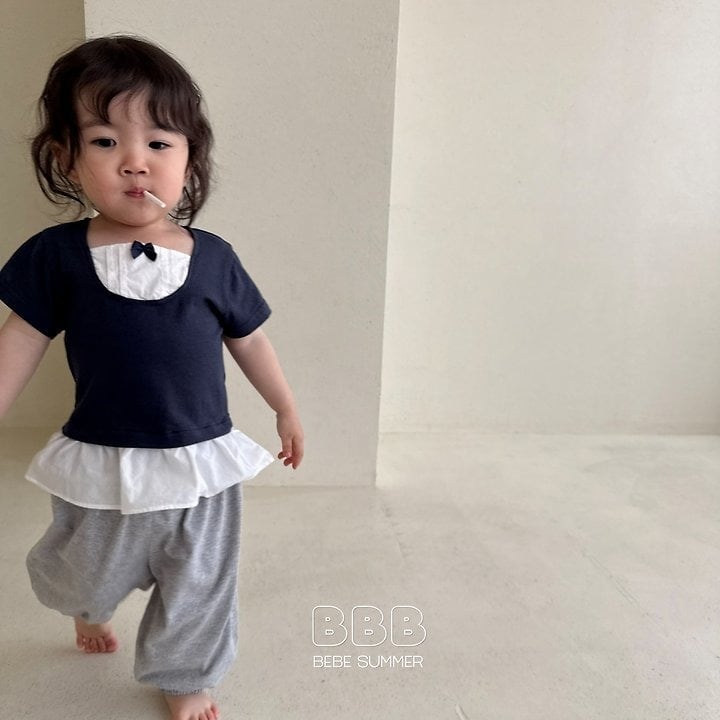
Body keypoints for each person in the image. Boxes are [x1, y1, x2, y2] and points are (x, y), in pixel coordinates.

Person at [0, 35, 304, 720]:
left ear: (190, 158)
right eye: (105, 141)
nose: (135, 161)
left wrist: (284, 407)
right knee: (84, 572)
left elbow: (250, 339)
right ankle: (86, 605)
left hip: (201, 457)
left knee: (200, 579)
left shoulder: (214, 258)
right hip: (103, 454)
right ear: (67, 159)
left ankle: (187, 673)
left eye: (159, 143)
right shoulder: (57, 257)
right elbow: (19, 341)